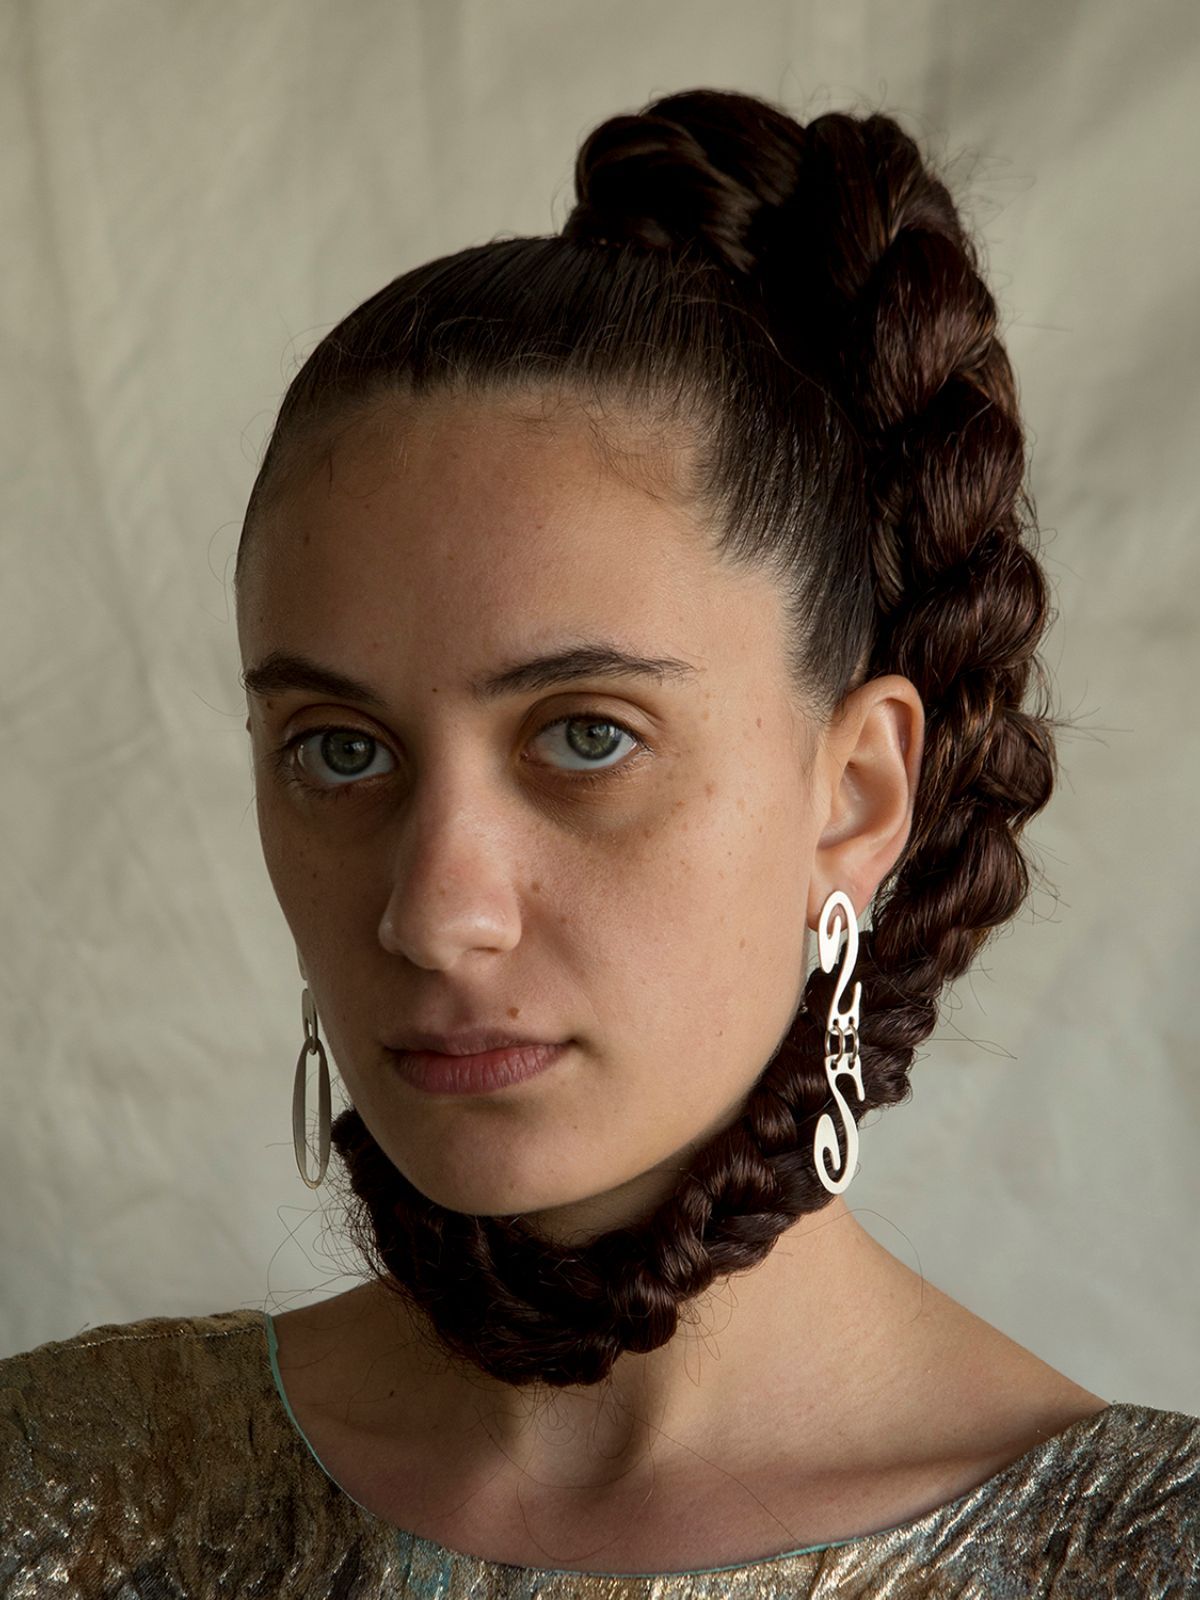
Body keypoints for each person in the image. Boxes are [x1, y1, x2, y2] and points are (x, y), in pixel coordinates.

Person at [2, 86, 1197, 1597]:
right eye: (340, 750)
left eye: (586, 737)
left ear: (854, 793)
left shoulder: (1140, 1563)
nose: (436, 914)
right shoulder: (57, 1495)